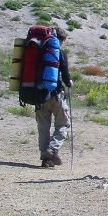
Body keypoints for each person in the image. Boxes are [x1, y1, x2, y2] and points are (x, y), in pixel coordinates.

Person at [36, 27, 72, 168]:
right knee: (63, 124)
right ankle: (51, 150)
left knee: (43, 127)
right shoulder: (59, 54)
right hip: (55, 95)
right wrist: (69, 82)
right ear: (61, 40)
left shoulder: (39, 52)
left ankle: (46, 159)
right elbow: (66, 77)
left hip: (38, 96)